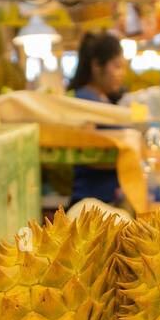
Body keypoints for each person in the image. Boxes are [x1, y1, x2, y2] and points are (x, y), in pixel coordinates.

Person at [68, 32, 126, 207]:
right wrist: (128, 159)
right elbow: (86, 153)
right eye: (116, 66)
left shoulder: (103, 100)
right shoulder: (84, 100)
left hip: (107, 202)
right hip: (89, 205)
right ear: (96, 66)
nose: (121, 74)